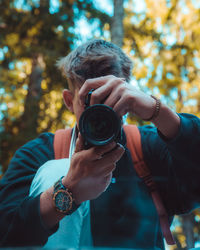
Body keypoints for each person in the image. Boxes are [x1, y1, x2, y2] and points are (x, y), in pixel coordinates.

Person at [0, 39, 200, 250]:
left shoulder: (147, 147)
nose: (101, 110)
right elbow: (5, 231)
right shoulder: (42, 152)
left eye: (113, 97)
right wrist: (66, 190)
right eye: (90, 100)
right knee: (56, 170)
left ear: (129, 96)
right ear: (69, 101)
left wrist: (157, 111)